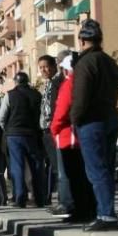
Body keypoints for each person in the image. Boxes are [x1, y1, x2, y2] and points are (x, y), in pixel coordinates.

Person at [71, 19, 118, 232]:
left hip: (92, 121)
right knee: (107, 169)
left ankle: (106, 215)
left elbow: (81, 98)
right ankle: (108, 211)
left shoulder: (85, 63)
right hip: (111, 116)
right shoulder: (110, 62)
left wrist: (75, 119)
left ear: (82, 40)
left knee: (96, 170)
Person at [50, 52, 96, 223]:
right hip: (82, 135)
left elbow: (61, 110)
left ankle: (80, 210)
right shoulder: (87, 83)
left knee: (73, 176)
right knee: (84, 176)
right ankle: (89, 209)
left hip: (68, 136)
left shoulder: (69, 84)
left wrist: (53, 129)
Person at [0, 71, 46, 208]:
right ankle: (40, 198)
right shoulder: (37, 95)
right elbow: (42, 114)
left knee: (17, 166)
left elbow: (1, 117)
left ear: (15, 82)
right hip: (33, 134)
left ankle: (20, 198)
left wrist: (6, 129)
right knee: (36, 165)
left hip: (14, 135)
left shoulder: (10, 95)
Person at [39, 53, 74, 217]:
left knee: (62, 169)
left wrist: (54, 127)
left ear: (54, 66)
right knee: (55, 167)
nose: (44, 70)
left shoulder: (59, 82)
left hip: (56, 129)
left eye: (46, 66)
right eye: (41, 68)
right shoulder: (47, 84)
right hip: (47, 130)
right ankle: (62, 200)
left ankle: (65, 202)